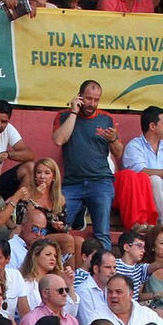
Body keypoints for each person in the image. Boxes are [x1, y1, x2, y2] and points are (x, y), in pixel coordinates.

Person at [53, 81, 120, 250]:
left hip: (100, 181)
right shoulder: (63, 115)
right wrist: (74, 112)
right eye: (88, 98)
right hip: (72, 183)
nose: (92, 104)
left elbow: (119, 152)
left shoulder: (106, 119)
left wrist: (113, 139)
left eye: (96, 100)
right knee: (59, 225)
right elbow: (59, 140)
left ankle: (105, 271)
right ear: (80, 96)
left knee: (102, 232)